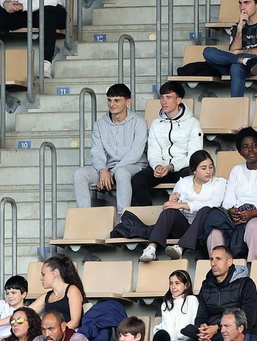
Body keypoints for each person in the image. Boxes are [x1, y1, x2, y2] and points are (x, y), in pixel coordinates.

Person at [178, 247, 257, 341]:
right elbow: (201, 315)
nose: (213, 263)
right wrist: (203, 328)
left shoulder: (246, 284)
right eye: (211, 259)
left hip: (234, 330)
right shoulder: (206, 285)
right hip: (211, 333)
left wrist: (217, 328)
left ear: (229, 261)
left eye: (218, 259)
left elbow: (247, 318)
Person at [208, 128, 257, 258]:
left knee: (253, 225)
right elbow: (228, 200)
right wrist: (231, 211)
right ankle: (219, 266)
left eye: (254, 145)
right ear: (240, 152)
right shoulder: (236, 170)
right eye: (245, 147)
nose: (251, 149)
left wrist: (255, 212)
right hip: (238, 217)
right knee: (215, 232)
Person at [73, 84, 146, 216]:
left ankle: (124, 218)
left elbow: (136, 153)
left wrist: (112, 172)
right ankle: (84, 217)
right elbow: (97, 151)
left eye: (116, 100)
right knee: (80, 173)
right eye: (109, 100)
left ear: (128, 101)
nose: (112, 104)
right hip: (108, 168)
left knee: (122, 173)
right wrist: (102, 170)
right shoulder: (99, 124)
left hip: (134, 166)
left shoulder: (139, 122)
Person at [139, 151, 224, 263]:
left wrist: (183, 205)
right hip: (184, 227)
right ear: (194, 170)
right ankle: (151, 248)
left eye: (211, 167)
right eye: (204, 168)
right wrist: (172, 201)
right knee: (170, 210)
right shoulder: (183, 182)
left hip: (205, 229)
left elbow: (213, 203)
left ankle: (180, 248)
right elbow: (174, 207)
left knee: (206, 210)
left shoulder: (219, 183)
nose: (209, 171)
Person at [132, 81, 204, 208]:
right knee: (137, 180)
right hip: (161, 167)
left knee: (189, 177)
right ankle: (147, 215)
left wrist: (171, 166)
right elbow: (153, 150)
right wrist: (157, 166)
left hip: (181, 168)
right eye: (162, 97)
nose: (163, 101)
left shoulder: (193, 123)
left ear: (179, 100)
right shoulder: (156, 123)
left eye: (168, 97)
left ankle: (181, 213)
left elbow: (194, 156)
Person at [201, 0, 257, 98]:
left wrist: (241, 52)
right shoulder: (236, 27)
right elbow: (233, 51)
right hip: (237, 61)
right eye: (240, 3)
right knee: (208, 52)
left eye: (247, 3)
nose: (242, 7)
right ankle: (243, 60)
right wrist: (240, 28)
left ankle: (235, 104)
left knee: (235, 67)